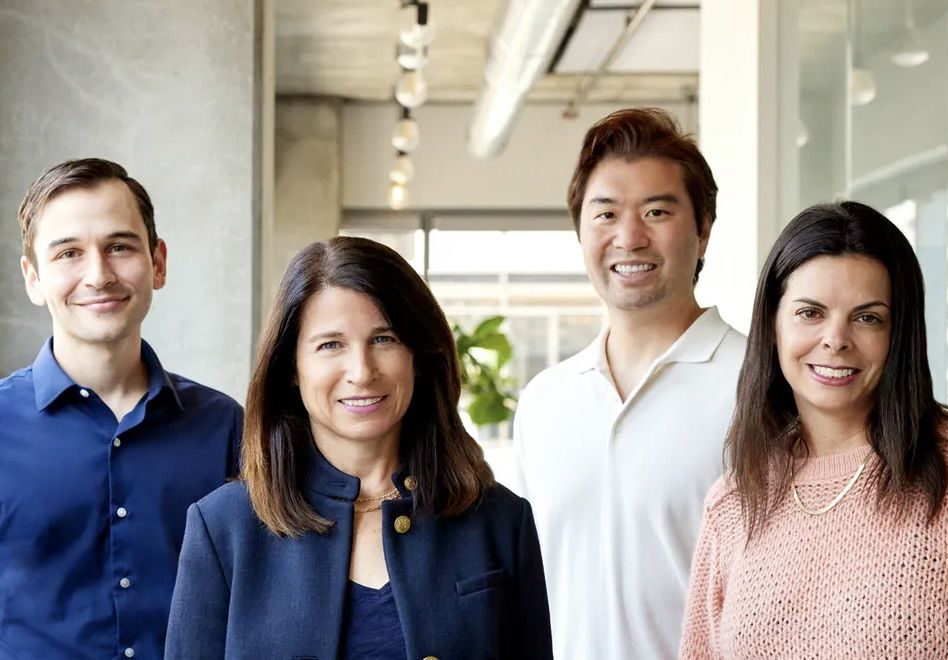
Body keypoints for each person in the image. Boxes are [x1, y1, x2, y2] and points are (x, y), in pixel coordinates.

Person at [165, 236, 552, 659]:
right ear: (291, 368)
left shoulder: (500, 521)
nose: (362, 372)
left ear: (418, 357)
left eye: (384, 339)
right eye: (330, 345)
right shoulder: (223, 527)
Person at [680, 201, 948, 658]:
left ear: (899, 334)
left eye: (868, 317)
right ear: (772, 326)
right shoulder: (734, 503)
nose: (836, 339)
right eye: (810, 313)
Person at [512, 107, 746, 658]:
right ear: (580, 233)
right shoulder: (545, 401)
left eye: (657, 211)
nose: (630, 237)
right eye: (606, 214)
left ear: (704, 231)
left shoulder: (761, 384)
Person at [0, 158, 242, 659]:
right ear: (33, 277)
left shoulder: (224, 426)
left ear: (158, 262)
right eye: (68, 253)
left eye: (119, 246)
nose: (98, 274)